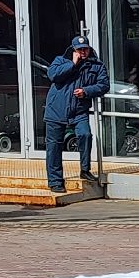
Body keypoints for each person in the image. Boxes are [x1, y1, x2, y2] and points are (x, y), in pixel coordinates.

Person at [44, 35, 110, 194]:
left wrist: (87, 91)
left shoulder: (97, 65)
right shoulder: (60, 61)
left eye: (85, 49)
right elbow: (53, 75)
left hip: (79, 110)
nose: (83, 52)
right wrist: (73, 64)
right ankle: (55, 182)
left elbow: (104, 85)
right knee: (54, 146)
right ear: (73, 50)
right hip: (56, 110)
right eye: (79, 50)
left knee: (85, 135)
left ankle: (85, 169)